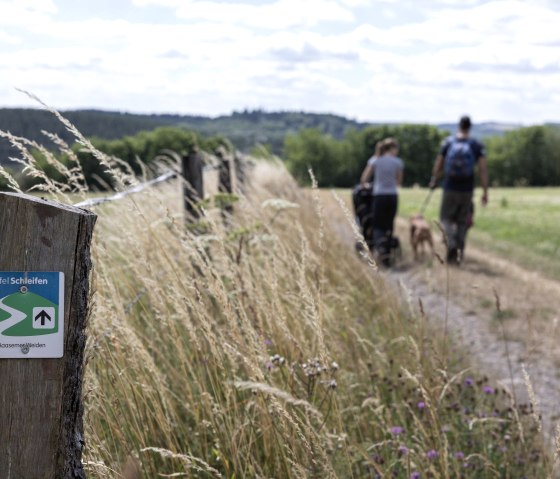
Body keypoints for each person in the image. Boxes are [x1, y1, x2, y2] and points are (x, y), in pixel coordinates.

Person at [429, 115, 488, 264]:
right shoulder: (476, 145)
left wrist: (434, 180)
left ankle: (451, 244)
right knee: (462, 222)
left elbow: (439, 163)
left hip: (450, 186)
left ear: (459, 126)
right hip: (467, 189)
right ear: (470, 127)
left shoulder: (448, 142)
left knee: (445, 218)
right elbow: (482, 170)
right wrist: (485, 191)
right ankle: (458, 254)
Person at [360, 137, 404, 266]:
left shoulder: (375, 160)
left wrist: (368, 186)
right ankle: (388, 254)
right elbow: (399, 182)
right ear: (392, 148)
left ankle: (380, 250)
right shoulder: (398, 162)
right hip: (392, 196)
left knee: (378, 225)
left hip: (379, 196)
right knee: (388, 224)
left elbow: (363, 179)